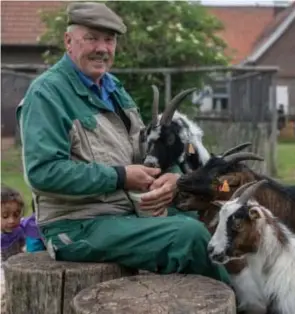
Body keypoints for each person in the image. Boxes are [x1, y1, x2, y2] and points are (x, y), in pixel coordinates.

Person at [16, 2, 230, 286]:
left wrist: (172, 179)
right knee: (187, 236)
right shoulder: (46, 95)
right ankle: (234, 304)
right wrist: (120, 176)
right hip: (76, 225)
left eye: (109, 39)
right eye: (91, 38)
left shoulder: (114, 89)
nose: (102, 48)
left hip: (125, 210)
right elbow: (43, 173)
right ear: (68, 41)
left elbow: (144, 151)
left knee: (213, 211)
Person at [1, 185, 44, 262]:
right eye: (5, 216)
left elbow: (34, 220)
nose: (12, 220)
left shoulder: (21, 229)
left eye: (16, 215)